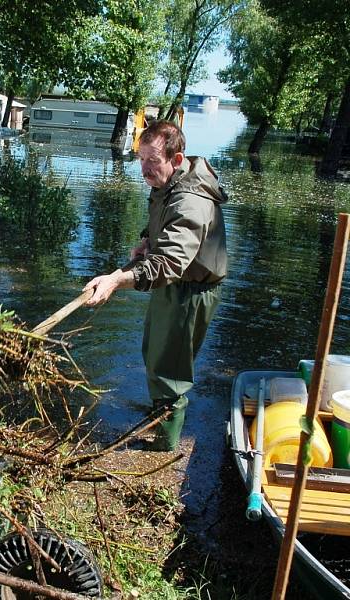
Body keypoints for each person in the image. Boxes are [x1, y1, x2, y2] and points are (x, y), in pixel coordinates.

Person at [83, 120, 227, 450]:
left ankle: (163, 445)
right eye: (142, 158)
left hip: (191, 292)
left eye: (153, 160)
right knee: (154, 353)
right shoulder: (168, 181)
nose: (145, 170)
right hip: (173, 285)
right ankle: (159, 414)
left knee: (169, 371)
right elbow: (165, 224)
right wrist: (148, 240)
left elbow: (172, 262)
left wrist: (116, 280)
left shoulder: (191, 200)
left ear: (177, 160)